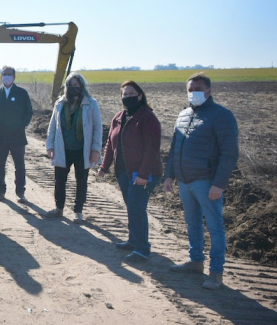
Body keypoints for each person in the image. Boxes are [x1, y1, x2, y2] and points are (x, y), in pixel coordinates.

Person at [163, 72, 238, 290]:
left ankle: (216, 273)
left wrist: (219, 184)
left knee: (215, 227)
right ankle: (196, 261)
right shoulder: (183, 115)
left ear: (208, 91)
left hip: (207, 182)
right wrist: (170, 175)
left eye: (197, 89)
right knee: (192, 223)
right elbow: (174, 148)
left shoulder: (222, 116)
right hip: (185, 182)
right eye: (190, 89)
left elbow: (230, 153)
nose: (193, 93)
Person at [98, 81, 162, 262]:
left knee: (137, 208)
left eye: (131, 93)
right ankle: (134, 240)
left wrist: (143, 175)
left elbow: (152, 148)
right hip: (124, 172)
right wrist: (104, 166)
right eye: (124, 94)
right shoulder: (119, 117)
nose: (127, 97)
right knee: (132, 207)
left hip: (144, 173)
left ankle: (142, 249)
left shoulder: (147, 117)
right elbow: (111, 143)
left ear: (140, 95)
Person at [45, 72, 102, 223]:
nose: (74, 88)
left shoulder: (91, 104)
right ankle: (59, 208)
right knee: (59, 180)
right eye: (71, 85)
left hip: (82, 150)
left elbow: (98, 128)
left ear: (82, 86)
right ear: (67, 87)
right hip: (62, 148)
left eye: (77, 85)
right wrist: (50, 146)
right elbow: (52, 127)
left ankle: (78, 211)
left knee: (81, 181)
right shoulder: (60, 104)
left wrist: (96, 149)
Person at [0, 66, 33, 203]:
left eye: (9, 74)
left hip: (17, 136)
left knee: (20, 165)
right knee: (0, 165)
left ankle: (20, 193)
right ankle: (0, 191)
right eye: (4, 74)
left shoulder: (22, 93)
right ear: (1, 77)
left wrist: (21, 125)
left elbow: (28, 112)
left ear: (14, 77)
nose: (7, 76)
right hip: (0, 136)